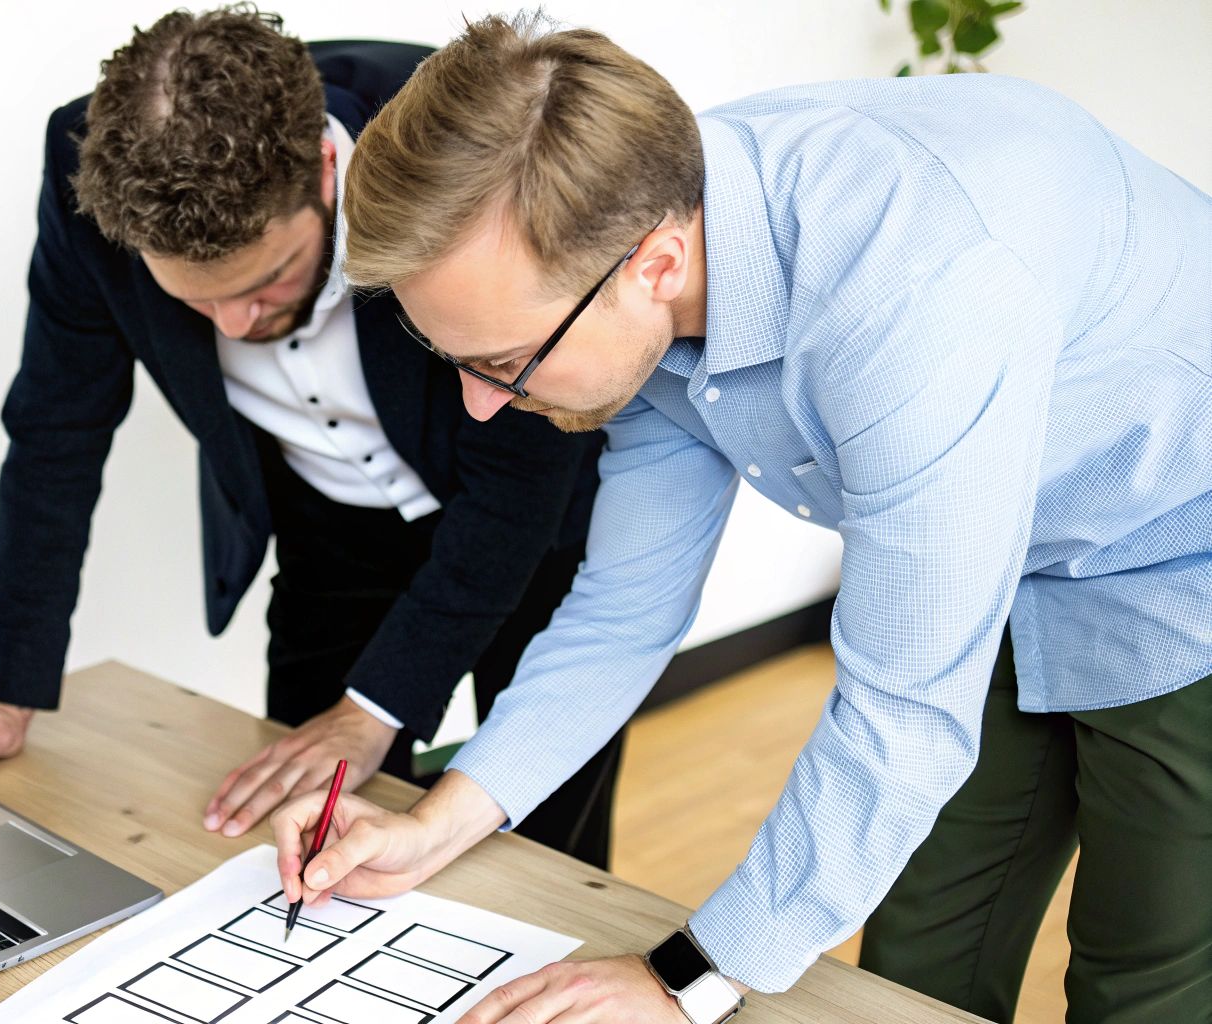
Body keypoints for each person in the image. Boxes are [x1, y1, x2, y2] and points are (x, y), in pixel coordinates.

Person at [273, 13, 1212, 1024]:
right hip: (1012, 557)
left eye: (504, 361)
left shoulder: (912, 298)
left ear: (653, 264)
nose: (479, 407)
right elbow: (622, 610)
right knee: (905, 965)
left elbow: (901, 717)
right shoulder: (640, 240)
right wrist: (437, 822)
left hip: (1179, 549)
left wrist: (682, 976)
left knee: (1141, 980)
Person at [0, 6, 624, 870]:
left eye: (267, 280)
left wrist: (378, 707)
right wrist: (9, 689)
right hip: (328, 526)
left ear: (326, 169)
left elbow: (521, 474)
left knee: (542, 848)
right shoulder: (85, 175)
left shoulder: (462, 137)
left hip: (533, 517)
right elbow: (55, 431)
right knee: (293, 825)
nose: (239, 326)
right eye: (196, 302)